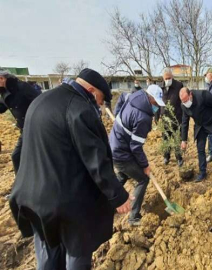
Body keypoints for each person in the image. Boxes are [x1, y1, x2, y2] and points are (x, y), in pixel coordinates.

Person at [9, 68, 131, 270]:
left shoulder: (40, 101)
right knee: (77, 252)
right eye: (100, 99)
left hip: (32, 198)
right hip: (65, 205)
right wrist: (118, 196)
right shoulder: (79, 109)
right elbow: (96, 161)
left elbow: (20, 151)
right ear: (91, 90)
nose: (100, 105)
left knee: (48, 251)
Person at [110, 85, 165, 226]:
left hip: (114, 143)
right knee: (142, 179)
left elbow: (122, 97)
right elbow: (136, 147)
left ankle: (107, 205)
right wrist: (145, 165)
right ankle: (133, 217)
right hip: (122, 152)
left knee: (123, 174)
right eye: (155, 103)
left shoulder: (135, 95)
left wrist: (118, 117)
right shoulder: (143, 119)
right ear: (150, 98)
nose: (157, 107)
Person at [0, 69, 40, 175]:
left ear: (2, 78)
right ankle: (21, 184)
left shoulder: (22, 87)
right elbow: (2, 106)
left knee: (39, 156)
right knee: (16, 156)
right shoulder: (4, 92)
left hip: (36, 127)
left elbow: (40, 101)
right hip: (24, 129)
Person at [180, 87, 212, 182]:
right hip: (200, 126)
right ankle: (202, 172)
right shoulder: (183, 105)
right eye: (183, 101)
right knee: (200, 150)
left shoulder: (203, 95)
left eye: (186, 100)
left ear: (190, 94)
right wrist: (183, 140)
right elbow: (184, 122)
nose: (185, 103)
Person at [158, 67, 184, 166]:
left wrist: (183, 117)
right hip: (164, 118)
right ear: (163, 78)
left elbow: (182, 101)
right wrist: (157, 116)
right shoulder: (161, 87)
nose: (167, 80)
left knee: (176, 138)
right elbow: (158, 102)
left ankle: (179, 158)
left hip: (176, 118)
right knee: (166, 138)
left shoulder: (179, 85)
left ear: (172, 76)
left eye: (169, 78)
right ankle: (166, 157)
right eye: (166, 78)